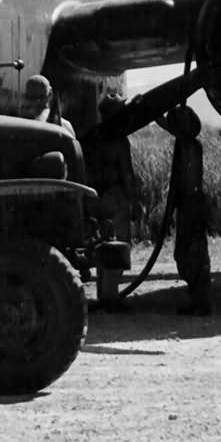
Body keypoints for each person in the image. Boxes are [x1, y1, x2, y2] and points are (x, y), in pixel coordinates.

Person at [86, 93, 136, 309]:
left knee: (103, 247)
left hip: (96, 197)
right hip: (115, 196)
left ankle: (104, 295)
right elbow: (126, 174)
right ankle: (111, 298)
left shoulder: (93, 138)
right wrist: (134, 200)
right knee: (119, 246)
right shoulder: (119, 141)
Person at [162, 103, 211, 316]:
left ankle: (199, 301)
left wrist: (172, 207)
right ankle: (198, 299)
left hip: (190, 205)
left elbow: (182, 182)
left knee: (190, 253)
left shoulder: (187, 148)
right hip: (192, 204)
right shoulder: (190, 145)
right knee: (192, 252)